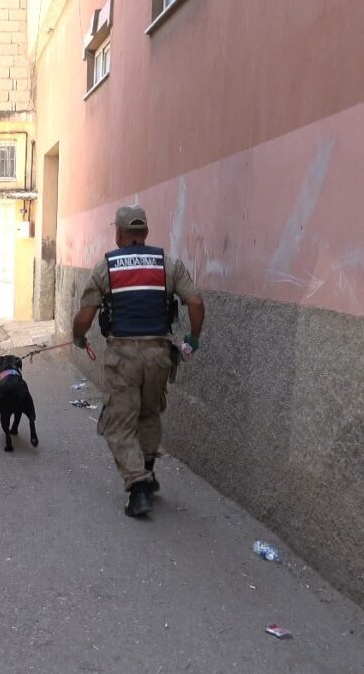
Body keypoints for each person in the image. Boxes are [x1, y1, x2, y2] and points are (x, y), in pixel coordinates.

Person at [72, 206, 205, 517]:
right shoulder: (168, 265)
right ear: (145, 232)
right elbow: (196, 302)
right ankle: (147, 471)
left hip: (123, 357)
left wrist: (78, 337)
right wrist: (193, 339)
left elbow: (85, 316)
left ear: (118, 234)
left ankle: (138, 488)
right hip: (159, 356)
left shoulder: (106, 268)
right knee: (148, 413)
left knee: (119, 421)